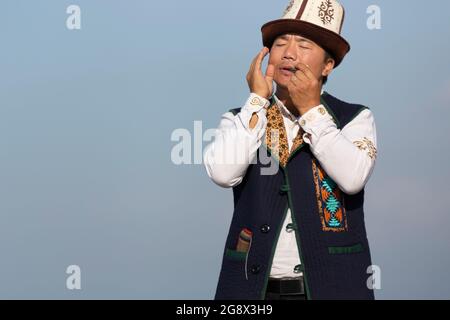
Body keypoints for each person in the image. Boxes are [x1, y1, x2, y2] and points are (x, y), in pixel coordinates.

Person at [204, 0, 378, 300]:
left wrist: (311, 110)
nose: (289, 53)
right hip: (253, 290)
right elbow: (222, 173)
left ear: (328, 65)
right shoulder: (242, 117)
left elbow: (353, 177)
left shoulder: (355, 118)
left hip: (335, 288)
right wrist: (257, 100)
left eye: (304, 45)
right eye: (280, 43)